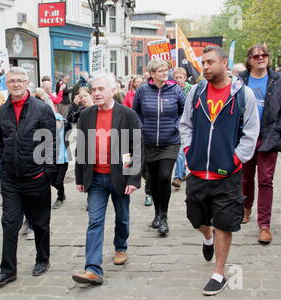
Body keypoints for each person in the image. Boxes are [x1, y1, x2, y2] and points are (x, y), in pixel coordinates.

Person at [180, 46, 260, 296]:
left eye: (210, 62)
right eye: (203, 62)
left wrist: (237, 159)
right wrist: (188, 150)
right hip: (197, 172)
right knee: (197, 219)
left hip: (227, 175)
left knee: (224, 223)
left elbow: (251, 131)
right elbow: (185, 124)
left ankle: (219, 272)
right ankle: (207, 237)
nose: (204, 67)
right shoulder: (196, 91)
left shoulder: (242, 94)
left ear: (224, 63)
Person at [72, 73, 141, 285]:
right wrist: (80, 176)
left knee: (122, 217)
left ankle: (121, 246)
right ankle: (93, 268)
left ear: (113, 91)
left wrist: (131, 178)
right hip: (95, 178)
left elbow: (134, 147)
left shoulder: (127, 114)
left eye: (101, 89)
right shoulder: (87, 114)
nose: (96, 93)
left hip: (119, 177)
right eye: (94, 90)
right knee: (95, 221)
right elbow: (82, 147)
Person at [0, 67, 56, 287]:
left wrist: (47, 173)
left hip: (36, 176)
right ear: (6, 84)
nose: (16, 84)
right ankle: (8, 270)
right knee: (9, 223)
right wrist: (1, 168)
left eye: (20, 80)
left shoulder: (41, 109)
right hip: (11, 179)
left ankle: (42, 259)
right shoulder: (3, 110)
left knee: (40, 223)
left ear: (28, 83)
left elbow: (50, 143)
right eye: (11, 81)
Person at [239, 44, 281, 244]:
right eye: (256, 56)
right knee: (245, 178)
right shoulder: (240, 80)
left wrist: (279, 129)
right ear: (249, 60)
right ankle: (245, 208)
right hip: (246, 136)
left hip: (269, 135)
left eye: (264, 55)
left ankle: (264, 225)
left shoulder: (279, 81)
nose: (261, 58)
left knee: (265, 181)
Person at [132, 58, 186, 235]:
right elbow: (136, 112)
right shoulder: (142, 91)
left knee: (164, 176)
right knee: (153, 179)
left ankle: (164, 216)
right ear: (152, 74)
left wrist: (176, 125)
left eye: (166, 70)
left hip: (170, 141)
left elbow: (184, 112)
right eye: (161, 71)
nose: (165, 73)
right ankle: (157, 213)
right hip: (149, 142)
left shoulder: (176, 90)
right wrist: (141, 127)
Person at [172, 67, 192, 190]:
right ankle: (178, 176)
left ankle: (181, 174)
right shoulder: (171, 90)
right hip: (176, 124)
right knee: (179, 152)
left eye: (181, 77)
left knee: (183, 150)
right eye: (176, 77)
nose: (179, 80)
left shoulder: (192, 89)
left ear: (185, 78)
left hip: (189, 124)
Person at [51, 113, 69, 209]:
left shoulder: (65, 130)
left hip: (64, 161)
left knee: (58, 181)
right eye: (54, 121)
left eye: (58, 121)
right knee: (52, 181)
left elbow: (70, 121)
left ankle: (60, 198)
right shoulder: (49, 132)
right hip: (52, 160)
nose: (56, 123)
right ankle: (62, 194)